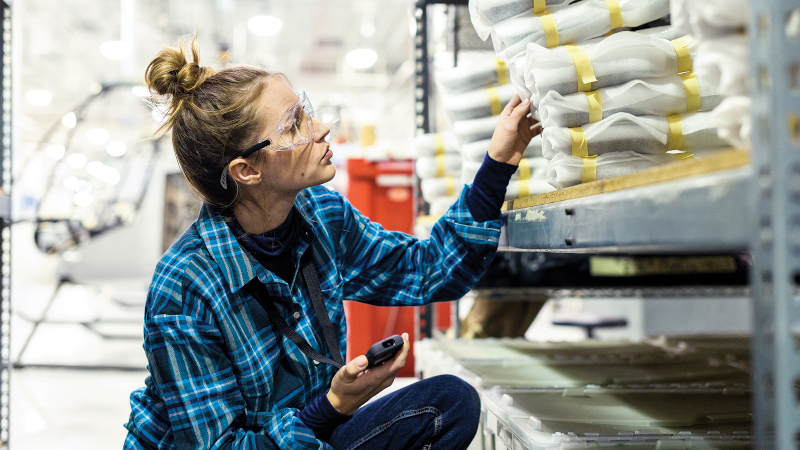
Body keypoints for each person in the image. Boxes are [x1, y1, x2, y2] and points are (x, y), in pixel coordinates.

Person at [123, 35, 541, 450]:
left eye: (306, 111)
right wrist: (334, 405)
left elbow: (428, 270)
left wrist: (499, 160)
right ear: (247, 170)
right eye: (293, 125)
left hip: (306, 436)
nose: (321, 129)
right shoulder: (184, 286)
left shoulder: (321, 215)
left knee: (448, 403)